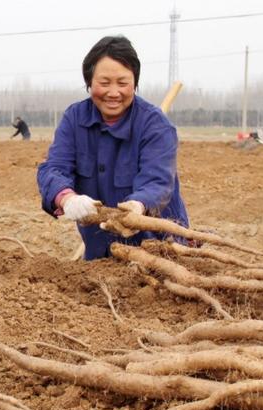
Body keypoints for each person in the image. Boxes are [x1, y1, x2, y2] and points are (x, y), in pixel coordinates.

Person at [37, 35, 189, 260]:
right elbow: (54, 169)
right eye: (104, 83)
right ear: (89, 82)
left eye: (123, 83)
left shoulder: (155, 125)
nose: (114, 92)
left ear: (135, 83)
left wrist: (139, 205)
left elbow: (157, 182)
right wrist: (67, 198)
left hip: (158, 247)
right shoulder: (75, 119)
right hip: (100, 250)